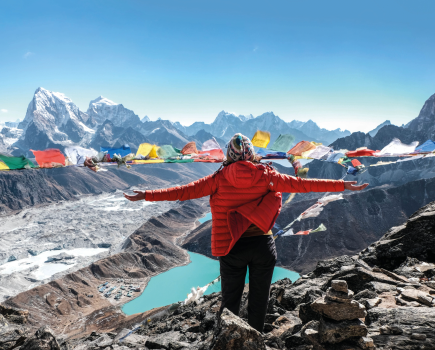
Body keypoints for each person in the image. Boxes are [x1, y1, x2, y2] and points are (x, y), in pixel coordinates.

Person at [124, 133, 368, 332]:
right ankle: (254, 340)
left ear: (229, 154)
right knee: (259, 301)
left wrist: (145, 195)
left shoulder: (217, 179)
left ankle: (228, 340)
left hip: (231, 247)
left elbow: (182, 191)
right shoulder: (268, 176)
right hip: (263, 246)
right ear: (252, 153)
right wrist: (342, 185)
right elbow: (303, 184)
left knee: (230, 301)